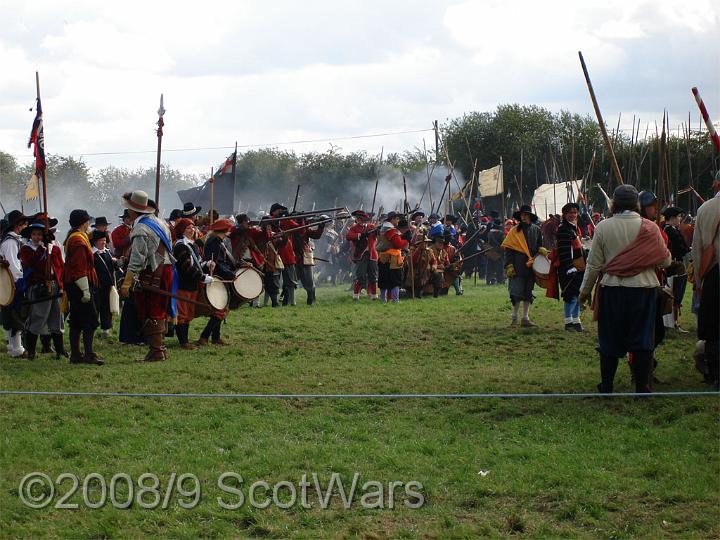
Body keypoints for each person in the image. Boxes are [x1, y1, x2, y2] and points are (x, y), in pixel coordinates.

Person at [578, 185, 671, 393]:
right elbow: (666, 261)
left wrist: (584, 293)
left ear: (614, 204)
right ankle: (642, 387)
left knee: (609, 340)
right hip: (644, 291)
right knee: (642, 340)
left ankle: (607, 387)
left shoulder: (603, 227)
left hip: (613, 290)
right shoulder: (651, 228)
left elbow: (593, 265)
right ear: (636, 204)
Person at [118, 191, 175, 362]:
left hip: (152, 272)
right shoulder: (160, 222)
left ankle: (157, 351)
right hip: (164, 270)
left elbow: (137, 258)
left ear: (133, 211)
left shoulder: (141, 228)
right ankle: (158, 349)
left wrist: (127, 282)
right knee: (157, 309)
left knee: (152, 310)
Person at [18, 219, 66, 359]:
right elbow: (30, 263)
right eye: (34, 234)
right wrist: (41, 250)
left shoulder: (54, 249)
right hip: (39, 287)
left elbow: (59, 268)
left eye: (40, 234)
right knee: (38, 317)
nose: (37, 237)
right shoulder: (26, 249)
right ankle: (31, 351)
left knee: (57, 318)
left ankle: (60, 350)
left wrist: (61, 285)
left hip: (54, 286)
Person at [690, 174, 720, 388]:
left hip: (714, 274)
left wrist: (699, 282)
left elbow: (698, 249)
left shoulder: (705, 209)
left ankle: (715, 374)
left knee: (713, 329)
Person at [63, 209, 103, 365]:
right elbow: (79, 268)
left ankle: (76, 355)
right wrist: (85, 290)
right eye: (87, 221)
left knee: (77, 320)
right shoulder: (78, 241)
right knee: (89, 320)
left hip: (76, 284)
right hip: (80, 285)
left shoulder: (76, 237)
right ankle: (88, 354)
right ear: (83, 223)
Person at [172, 218, 214, 349]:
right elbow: (186, 267)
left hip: (192, 284)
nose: (192, 230)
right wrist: (202, 278)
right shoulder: (180, 246)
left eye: (193, 227)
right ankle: (183, 342)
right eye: (188, 228)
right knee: (183, 314)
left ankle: (185, 340)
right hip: (183, 284)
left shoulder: (193, 245)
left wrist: (206, 264)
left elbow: (197, 263)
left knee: (189, 313)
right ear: (182, 231)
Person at [501, 205, 546, 327]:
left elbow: (539, 246)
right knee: (516, 293)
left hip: (531, 265)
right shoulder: (514, 231)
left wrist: (541, 250)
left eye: (526, 215)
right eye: (522, 215)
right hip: (517, 265)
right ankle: (514, 318)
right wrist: (509, 265)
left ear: (530, 217)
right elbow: (508, 250)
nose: (524, 217)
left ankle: (525, 318)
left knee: (528, 293)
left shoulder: (536, 230)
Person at [198, 219, 234, 345]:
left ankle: (215, 337)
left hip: (221, 276)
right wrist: (230, 274)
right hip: (217, 277)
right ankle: (204, 336)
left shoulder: (218, 241)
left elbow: (224, 261)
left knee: (221, 307)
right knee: (219, 309)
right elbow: (217, 264)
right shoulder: (214, 242)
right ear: (225, 230)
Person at [1, 210, 29, 358]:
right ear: (18, 225)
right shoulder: (10, 242)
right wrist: (20, 282)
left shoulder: (13, 240)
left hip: (12, 283)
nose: (26, 226)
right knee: (16, 316)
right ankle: (17, 349)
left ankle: (14, 347)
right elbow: (13, 266)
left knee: (14, 316)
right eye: (24, 224)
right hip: (14, 283)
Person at [556, 203, 586, 331]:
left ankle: (576, 320)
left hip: (578, 267)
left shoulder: (572, 228)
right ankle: (569, 322)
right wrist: (569, 267)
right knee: (570, 295)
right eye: (570, 212)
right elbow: (564, 251)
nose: (573, 215)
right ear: (565, 214)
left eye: (575, 212)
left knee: (577, 294)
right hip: (568, 268)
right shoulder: (563, 229)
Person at [662, 206, 690, 333]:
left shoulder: (671, 229)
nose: (680, 219)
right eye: (678, 217)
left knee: (674, 296)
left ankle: (672, 323)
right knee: (672, 296)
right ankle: (670, 324)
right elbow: (680, 249)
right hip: (672, 267)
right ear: (672, 218)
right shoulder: (670, 231)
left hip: (673, 266)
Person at [377, 211, 410, 303]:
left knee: (384, 279)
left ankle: (384, 299)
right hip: (392, 258)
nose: (398, 220)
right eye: (397, 218)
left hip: (385, 257)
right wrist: (406, 240)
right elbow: (398, 244)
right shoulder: (391, 230)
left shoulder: (385, 229)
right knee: (395, 279)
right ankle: (395, 299)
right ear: (392, 219)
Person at [293, 215, 326, 305]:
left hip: (305, 257)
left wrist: (321, 226)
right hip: (293, 257)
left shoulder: (305, 229)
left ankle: (311, 298)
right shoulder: (290, 227)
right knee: (291, 281)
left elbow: (316, 235)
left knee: (309, 280)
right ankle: (289, 300)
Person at [346, 210, 379, 300]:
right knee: (360, 275)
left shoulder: (372, 226)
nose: (359, 220)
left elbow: (379, 235)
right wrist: (360, 235)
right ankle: (356, 295)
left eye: (361, 218)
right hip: (361, 254)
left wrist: (377, 231)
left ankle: (374, 295)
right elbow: (348, 236)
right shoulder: (354, 228)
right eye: (358, 218)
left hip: (372, 254)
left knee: (373, 276)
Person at [91, 229, 117, 340]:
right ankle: (91, 329)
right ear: (95, 241)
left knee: (107, 308)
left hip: (108, 285)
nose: (104, 242)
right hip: (96, 286)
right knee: (95, 308)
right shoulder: (92, 254)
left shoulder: (107, 252)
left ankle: (106, 329)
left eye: (105, 240)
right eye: (101, 240)